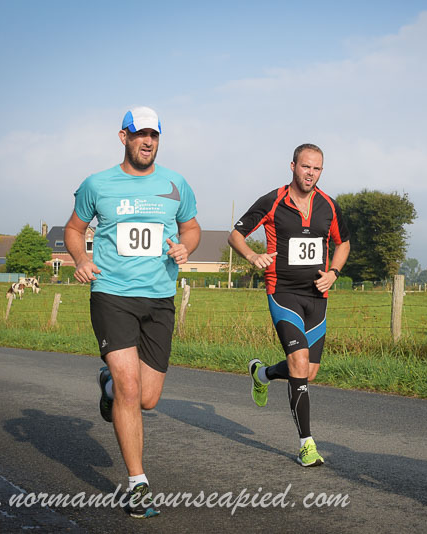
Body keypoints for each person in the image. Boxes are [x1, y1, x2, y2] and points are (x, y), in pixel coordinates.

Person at [64, 106, 200, 517]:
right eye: (140, 134)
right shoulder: (97, 184)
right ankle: (138, 484)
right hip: (112, 294)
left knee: (147, 398)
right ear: (123, 136)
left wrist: (186, 247)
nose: (148, 142)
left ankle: (106, 385)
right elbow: (74, 229)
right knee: (129, 387)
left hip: (159, 298)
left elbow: (191, 227)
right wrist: (81, 259)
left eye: (154, 135)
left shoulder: (176, 183)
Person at [228, 143, 350, 467]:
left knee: (307, 371)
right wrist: (252, 255)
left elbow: (344, 243)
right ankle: (306, 445)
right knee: (298, 362)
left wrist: (334, 273)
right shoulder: (272, 201)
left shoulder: (329, 206)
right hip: (282, 293)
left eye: (317, 168)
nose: (311, 173)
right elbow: (236, 235)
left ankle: (263, 374)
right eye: (306, 166)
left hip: (317, 297)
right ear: (293, 166)